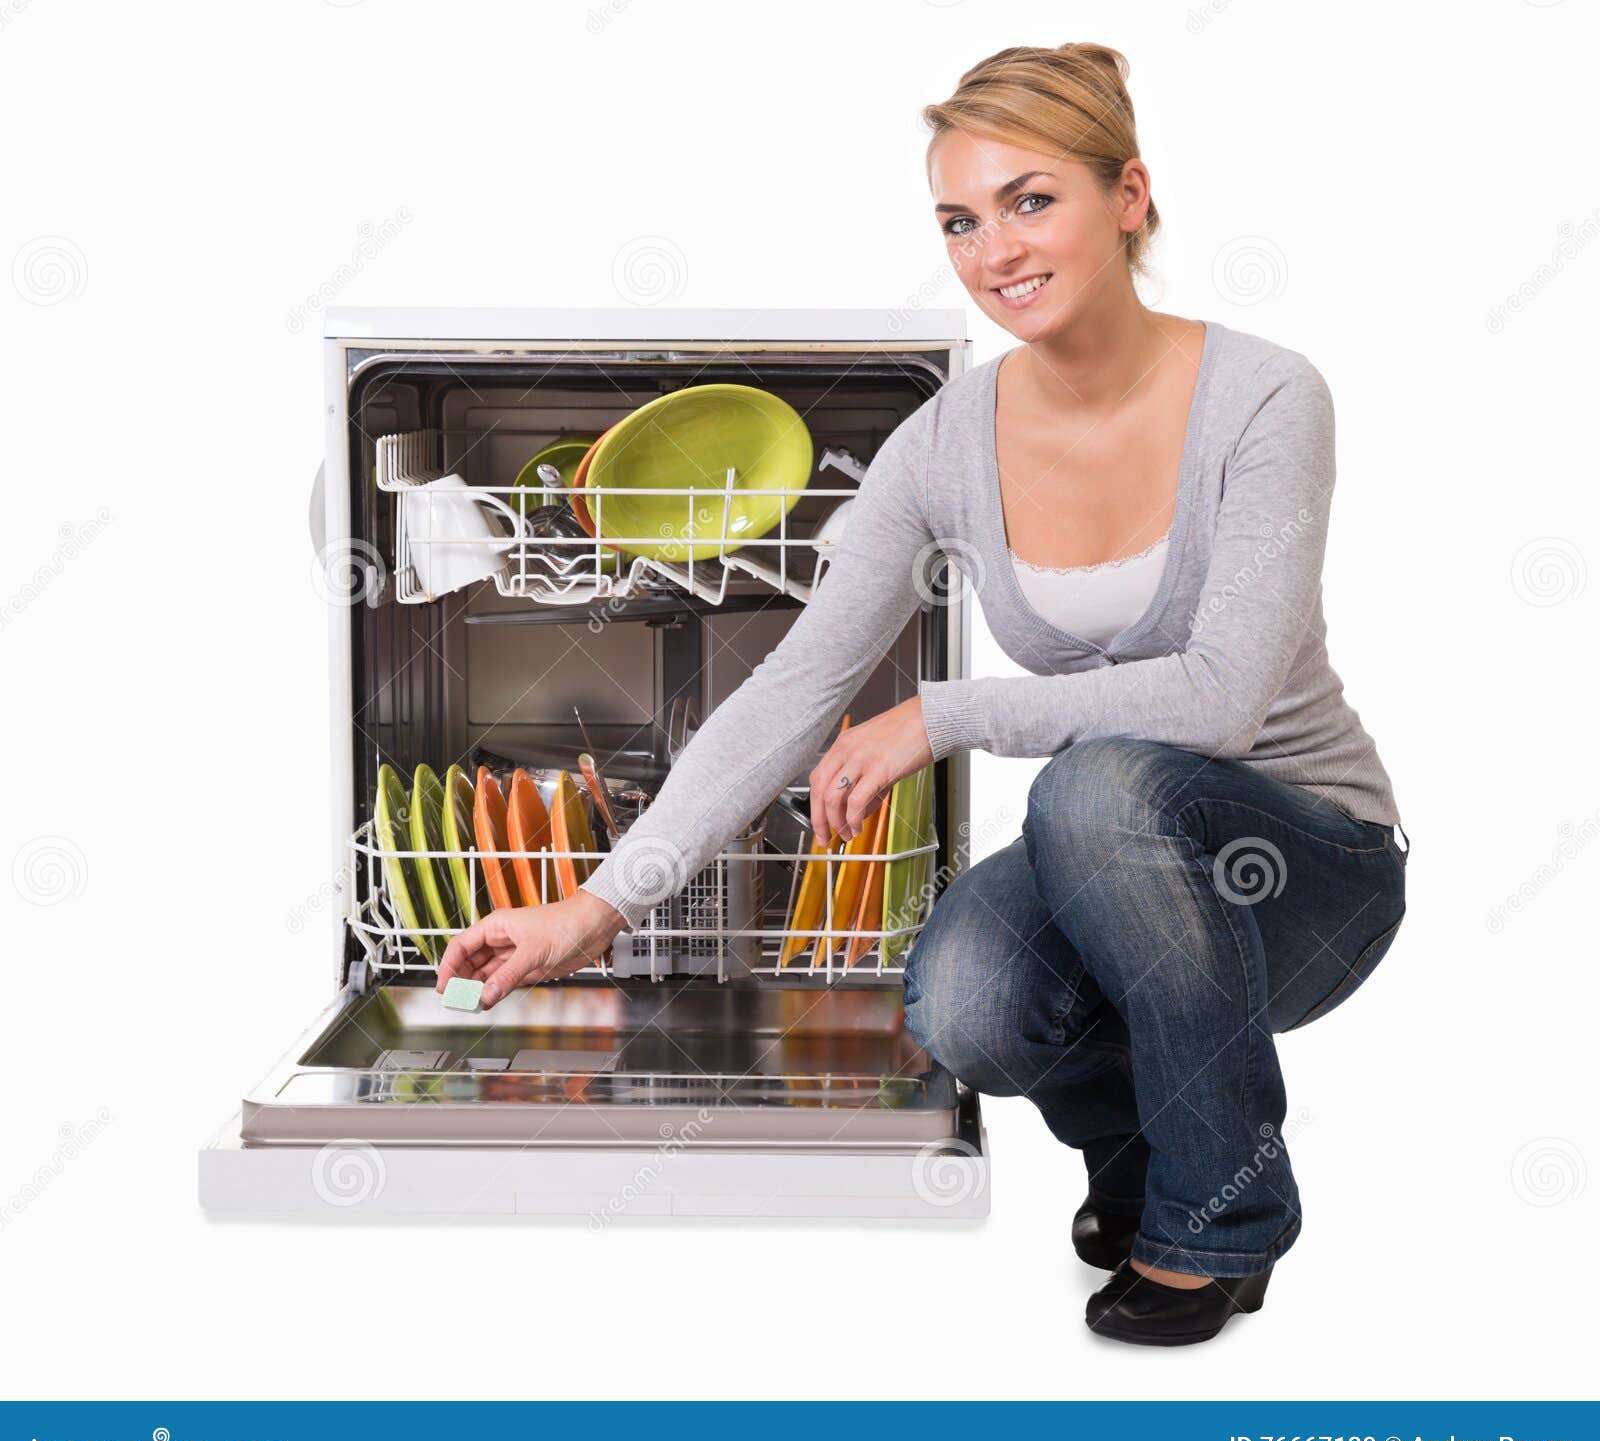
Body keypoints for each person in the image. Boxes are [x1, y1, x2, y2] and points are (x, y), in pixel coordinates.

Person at [437, 41, 1407, 1347]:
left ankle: (1221, 1221)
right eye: (959, 220)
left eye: (1031, 200)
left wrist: (946, 713)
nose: (995, 248)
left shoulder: (1265, 397)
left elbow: (1224, 701)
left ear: (1129, 198)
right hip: (1128, 870)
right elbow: (797, 682)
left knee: (1098, 780)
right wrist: (601, 905)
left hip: (1310, 865)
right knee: (965, 1005)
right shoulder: (947, 443)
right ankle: (1143, 1167)